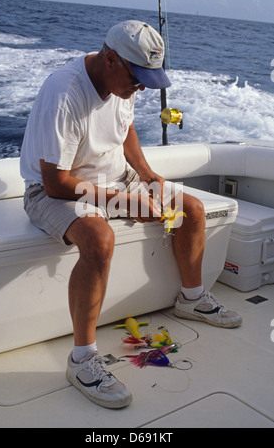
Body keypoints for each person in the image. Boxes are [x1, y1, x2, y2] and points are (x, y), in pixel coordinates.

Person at [20, 20, 242, 409]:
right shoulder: (64, 91)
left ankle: (191, 299)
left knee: (191, 209)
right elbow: (54, 182)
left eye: (147, 81)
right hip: (54, 190)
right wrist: (120, 203)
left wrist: (147, 175)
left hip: (117, 176)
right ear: (110, 59)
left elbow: (126, 129)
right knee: (100, 239)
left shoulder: (124, 80)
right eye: (137, 79)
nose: (140, 88)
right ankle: (82, 359)